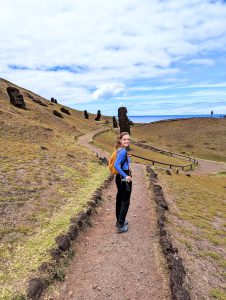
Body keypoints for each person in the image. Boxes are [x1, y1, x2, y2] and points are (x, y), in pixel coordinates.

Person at [114, 132, 132, 233]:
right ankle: (121, 225)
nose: (127, 141)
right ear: (120, 140)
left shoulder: (120, 150)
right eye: (124, 139)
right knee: (125, 201)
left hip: (119, 177)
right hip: (124, 178)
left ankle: (119, 221)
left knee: (120, 199)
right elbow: (116, 165)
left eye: (128, 139)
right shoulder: (123, 152)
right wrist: (127, 176)